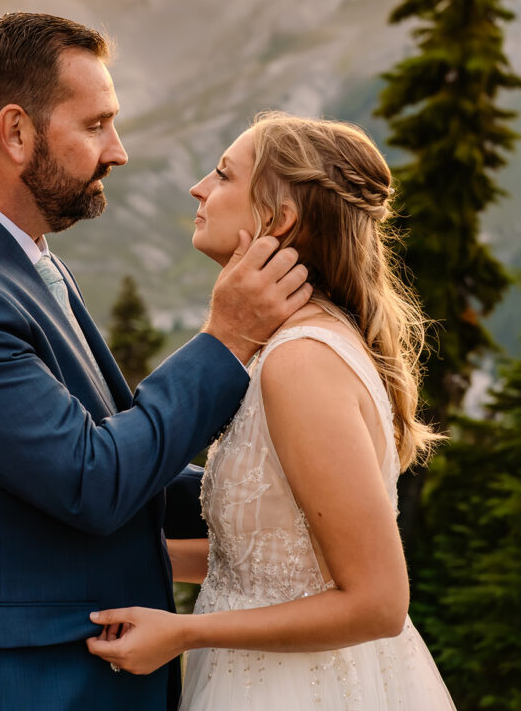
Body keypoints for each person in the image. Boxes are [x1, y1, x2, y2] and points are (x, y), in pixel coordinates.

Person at [0, 15, 312, 711]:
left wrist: (282, 490)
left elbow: (116, 449)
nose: (117, 151)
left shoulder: (22, 258)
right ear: (16, 132)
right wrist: (227, 339)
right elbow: (92, 478)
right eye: (96, 125)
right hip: (13, 691)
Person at [87, 111, 457, 710]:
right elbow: (274, 561)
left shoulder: (300, 361)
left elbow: (379, 602)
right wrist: (102, 559)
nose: (199, 188)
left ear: (278, 219)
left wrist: (184, 633)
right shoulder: (289, 348)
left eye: (223, 174)